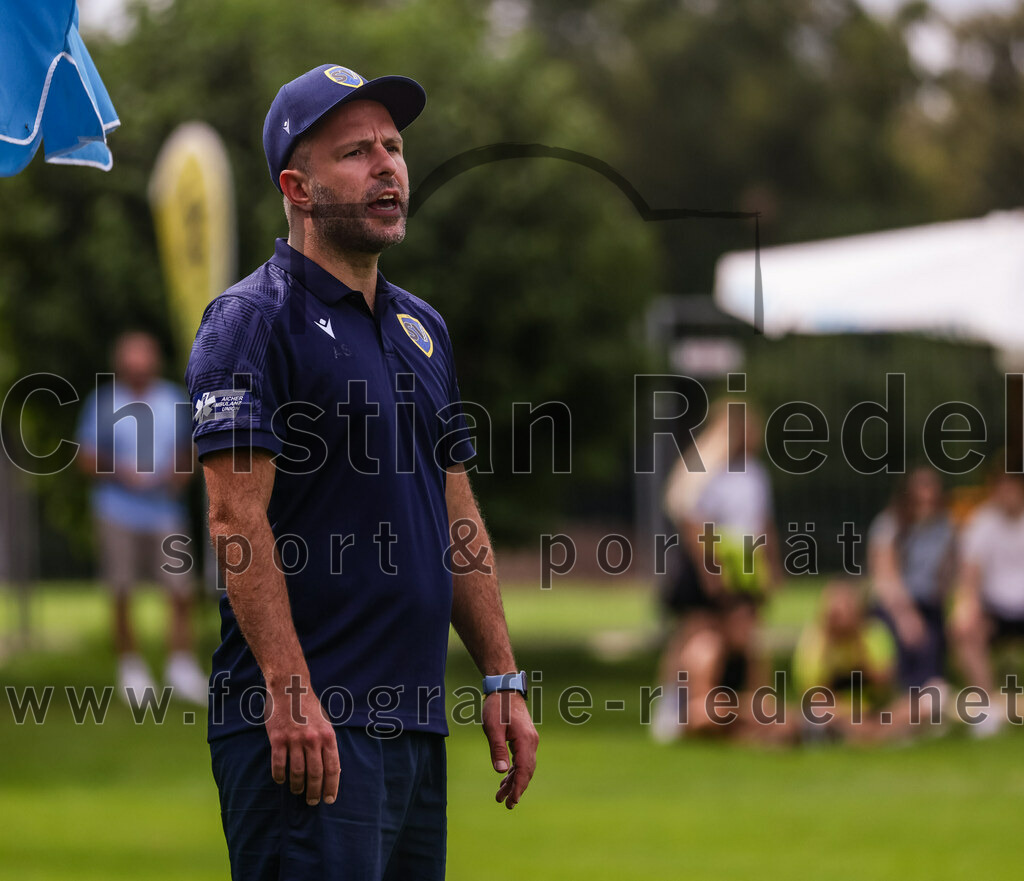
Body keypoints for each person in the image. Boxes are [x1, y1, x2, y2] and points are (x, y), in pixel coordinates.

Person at [185, 64, 538, 880]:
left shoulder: (424, 328)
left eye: (394, 146)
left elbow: (456, 514)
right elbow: (236, 521)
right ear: (297, 187)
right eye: (356, 152)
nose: (388, 165)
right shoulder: (250, 321)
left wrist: (502, 673)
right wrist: (290, 688)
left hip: (413, 722)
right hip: (309, 726)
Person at [76, 330, 206, 703]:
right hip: (116, 511)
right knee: (121, 590)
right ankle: (130, 669)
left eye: (144, 362)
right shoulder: (102, 402)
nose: (139, 370)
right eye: (132, 364)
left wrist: (177, 475)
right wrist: (121, 471)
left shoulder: (171, 399)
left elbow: (191, 451)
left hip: (165, 511)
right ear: (121, 366)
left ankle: (181, 666)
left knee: (181, 591)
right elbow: (85, 458)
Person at [653, 400, 781, 740]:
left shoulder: (755, 473)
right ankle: (675, 704)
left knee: (743, 634)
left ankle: (744, 705)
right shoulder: (707, 470)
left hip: (745, 563)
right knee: (696, 632)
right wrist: (711, 569)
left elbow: (763, 523)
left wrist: (770, 566)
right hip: (712, 560)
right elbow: (694, 522)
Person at [868, 467, 955, 728]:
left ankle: (926, 709)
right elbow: (885, 578)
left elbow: (947, 575)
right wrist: (905, 615)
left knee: (932, 643)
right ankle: (905, 710)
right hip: (894, 605)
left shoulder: (945, 527)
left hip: (930, 604)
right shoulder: (888, 525)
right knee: (908, 641)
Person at [950, 464, 1024, 737]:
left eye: (1011, 485)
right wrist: (965, 607)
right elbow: (970, 576)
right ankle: (986, 710)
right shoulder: (982, 523)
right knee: (965, 629)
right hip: (996, 609)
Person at [792, 580, 896, 743]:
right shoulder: (814, 640)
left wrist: (857, 643)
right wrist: (829, 645)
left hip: (872, 709)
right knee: (822, 713)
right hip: (835, 712)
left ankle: (867, 732)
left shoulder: (874, 633)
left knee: (912, 708)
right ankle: (870, 733)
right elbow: (813, 694)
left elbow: (883, 684)